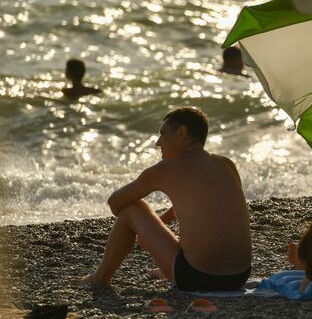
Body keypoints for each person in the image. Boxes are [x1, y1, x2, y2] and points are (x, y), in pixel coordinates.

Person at [74, 106, 252, 292]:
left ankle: (99, 278)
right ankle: (165, 270)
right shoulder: (226, 164)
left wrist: (142, 229)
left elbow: (116, 202)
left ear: (182, 133)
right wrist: (158, 222)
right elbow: (202, 207)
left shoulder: (166, 169)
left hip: (197, 277)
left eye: (163, 134)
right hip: (239, 276)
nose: (158, 143)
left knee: (132, 208)